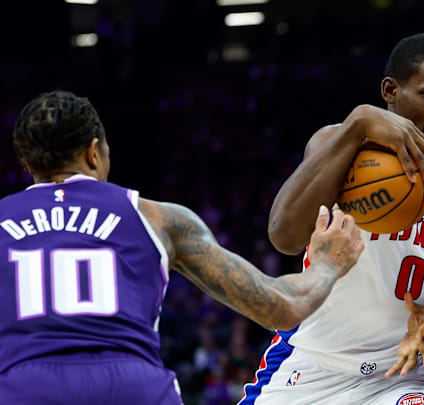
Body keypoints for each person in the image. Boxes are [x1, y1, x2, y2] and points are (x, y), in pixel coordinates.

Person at [0, 91, 364, 404]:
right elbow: (283, 307)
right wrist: (327, 265)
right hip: (131, 388)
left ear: (26, 161)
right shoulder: (159, 219)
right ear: (95, 152)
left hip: (22, 388)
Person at [241, 33, 424, 405]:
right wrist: (359, 122)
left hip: (398, 378)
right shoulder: (338, 144)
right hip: (308, 369)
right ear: (391, 90)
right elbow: (284, 236)